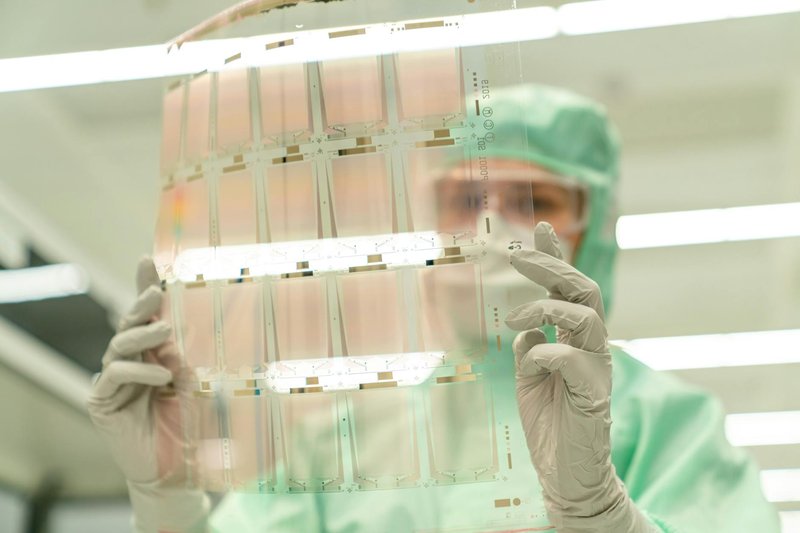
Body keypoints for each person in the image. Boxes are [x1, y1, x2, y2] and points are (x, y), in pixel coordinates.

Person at [87, 83, 780, 532]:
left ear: (592, 229)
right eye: (468, 200)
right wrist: (166, 499)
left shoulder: (668, 423)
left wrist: (603, 514)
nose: (497, 227)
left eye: (533, 200)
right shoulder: (343, 440)